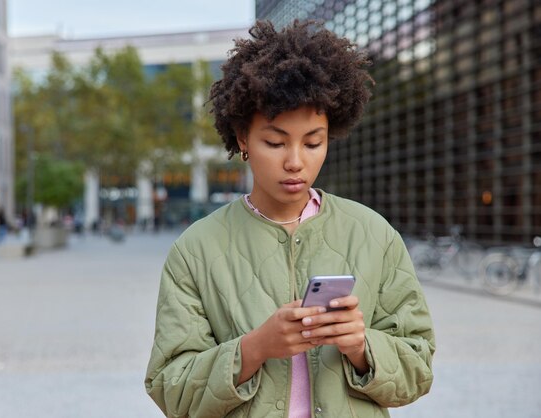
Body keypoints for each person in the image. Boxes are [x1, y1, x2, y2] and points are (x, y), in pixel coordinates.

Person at [145, 20, 435, 418]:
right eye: (275, 142)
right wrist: (254, 348)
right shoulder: (195, 251)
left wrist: (362, 347)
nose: (296, 161)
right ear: (243, 138)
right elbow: (170, 387)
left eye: (314, 142)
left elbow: (418, 368)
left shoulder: (374, 235)